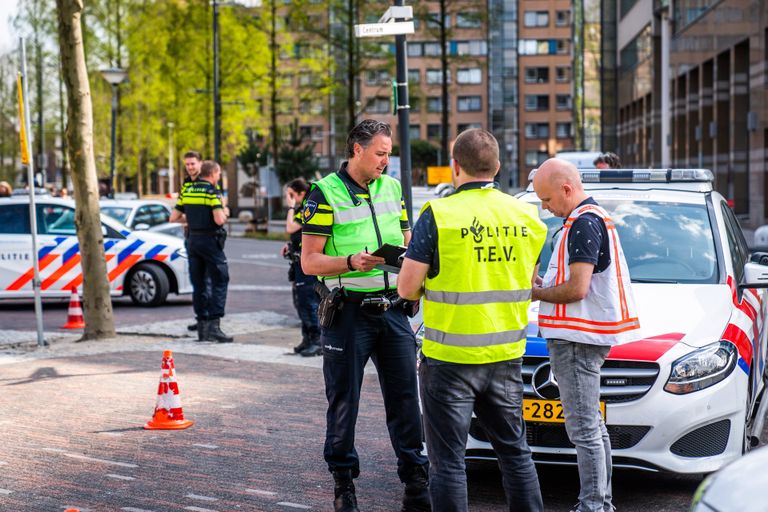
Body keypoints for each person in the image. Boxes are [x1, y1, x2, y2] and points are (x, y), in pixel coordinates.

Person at [398, 129, 546, 512]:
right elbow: (529, 281)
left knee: (448, 461)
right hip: (506, 355)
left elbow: (407, 288)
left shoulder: (440, 215)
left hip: (450, 358)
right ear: (497, 167)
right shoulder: (526, 215)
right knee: (515, 453)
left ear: (455, 166)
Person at [301, 119, 430, 512]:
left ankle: (416, 485)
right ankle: (344, 487)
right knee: (345, 403)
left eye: (389, 154)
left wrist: (412, 274)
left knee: (406, 401)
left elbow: (409, 244)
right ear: (356, 150)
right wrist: (350, 262)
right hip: (348, 314)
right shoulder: (324, 192)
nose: (385, 162)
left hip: (393, 310)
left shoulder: (392, 188)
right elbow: (309, 262)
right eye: (380, 153)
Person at [531, 158, 641, 512]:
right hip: (585, 336)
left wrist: (535, 293)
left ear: (566, 189)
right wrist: (545, 284)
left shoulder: (582, 223)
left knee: (583, 431)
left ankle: (593, 505)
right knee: (593, 427)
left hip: (578, 339)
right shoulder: (589, 220)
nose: (546, 208)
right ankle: (599, 502)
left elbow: (577, 289)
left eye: (547, 199)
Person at [170, 160, 233, 343]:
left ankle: (202, 328)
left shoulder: (187, 190)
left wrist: (192, 221)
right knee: (220, 279)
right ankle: (214, 326)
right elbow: (220, 219)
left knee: (199, 284)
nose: (219, 177)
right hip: (210, 241)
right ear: (213, 174)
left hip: (192, 240)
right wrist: (225, 211)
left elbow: (173, 217)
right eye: (218, 174)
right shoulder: (211, 191)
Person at [281, 177, 321, 356]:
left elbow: (290, 227)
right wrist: (290, 247)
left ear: (301, 193)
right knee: (300, 303)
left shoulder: (307, 207)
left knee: (308, 302)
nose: (289, 199)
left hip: (307, 267)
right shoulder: (302, 208)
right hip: (298, 264)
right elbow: (297, 235)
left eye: (291, 195)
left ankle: (317, 340)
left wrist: (290, 207)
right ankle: (307, 338)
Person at [179, 151, 211, 333]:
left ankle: (208, 318)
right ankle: (200, 317)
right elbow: (181, 209)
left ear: (201, 163)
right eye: (187, 164)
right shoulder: (186, 183)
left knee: (207, 281)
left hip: (206, 237)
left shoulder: (207, 181)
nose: (190, 167)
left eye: (193, 164)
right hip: (190, 235)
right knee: (196, 279)